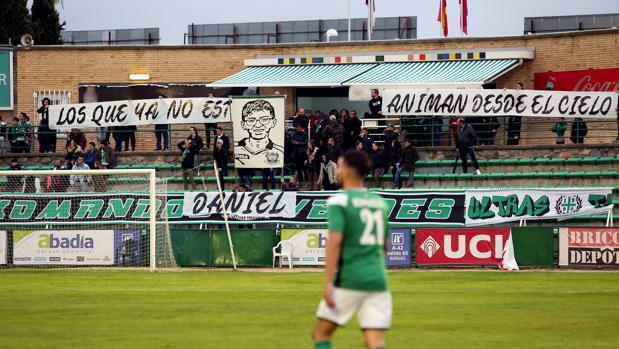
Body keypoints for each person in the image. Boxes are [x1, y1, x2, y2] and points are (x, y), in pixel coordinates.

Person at [313, 149, 391, 349]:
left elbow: (334, 242)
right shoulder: (380, 204)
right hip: (378, 279)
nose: (338, 171)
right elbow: (385, 246)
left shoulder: (339, 201)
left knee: (321, 333)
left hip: (350, 278)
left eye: (339, 166)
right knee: (374, 341)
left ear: (347, 170)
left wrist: (328, 283)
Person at [234, 99, 284, 167]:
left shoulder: (280, 152)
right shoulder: (236, 148)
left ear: (273, 122)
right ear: (243, 124)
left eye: (264, 119)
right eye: (251, 120)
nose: (258, 125)